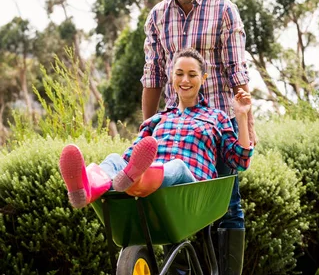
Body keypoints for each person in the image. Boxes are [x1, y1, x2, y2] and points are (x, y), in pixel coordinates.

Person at [141, 0, 257, 275]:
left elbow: (237, 71)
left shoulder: (224, 11)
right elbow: (153, 75)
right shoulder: (158, 17)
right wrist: (148, 131)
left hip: (218, 124)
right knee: (172, 201)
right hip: (176, 126)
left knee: (230, 202)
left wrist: (245, 126)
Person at [59, 48, 254, 215]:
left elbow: (240, 161)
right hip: (154, 192)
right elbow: (130, 157)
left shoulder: (216, 118)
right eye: (179, 73)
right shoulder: (157, 120)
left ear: (203, 78)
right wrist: (121, 167)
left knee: (177, 166)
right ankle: (85, 189)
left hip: (190, 192)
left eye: (192, 75)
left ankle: (138, 181)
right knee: (114, 160)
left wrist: (242, 116)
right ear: (172, 76)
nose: (185, 80)